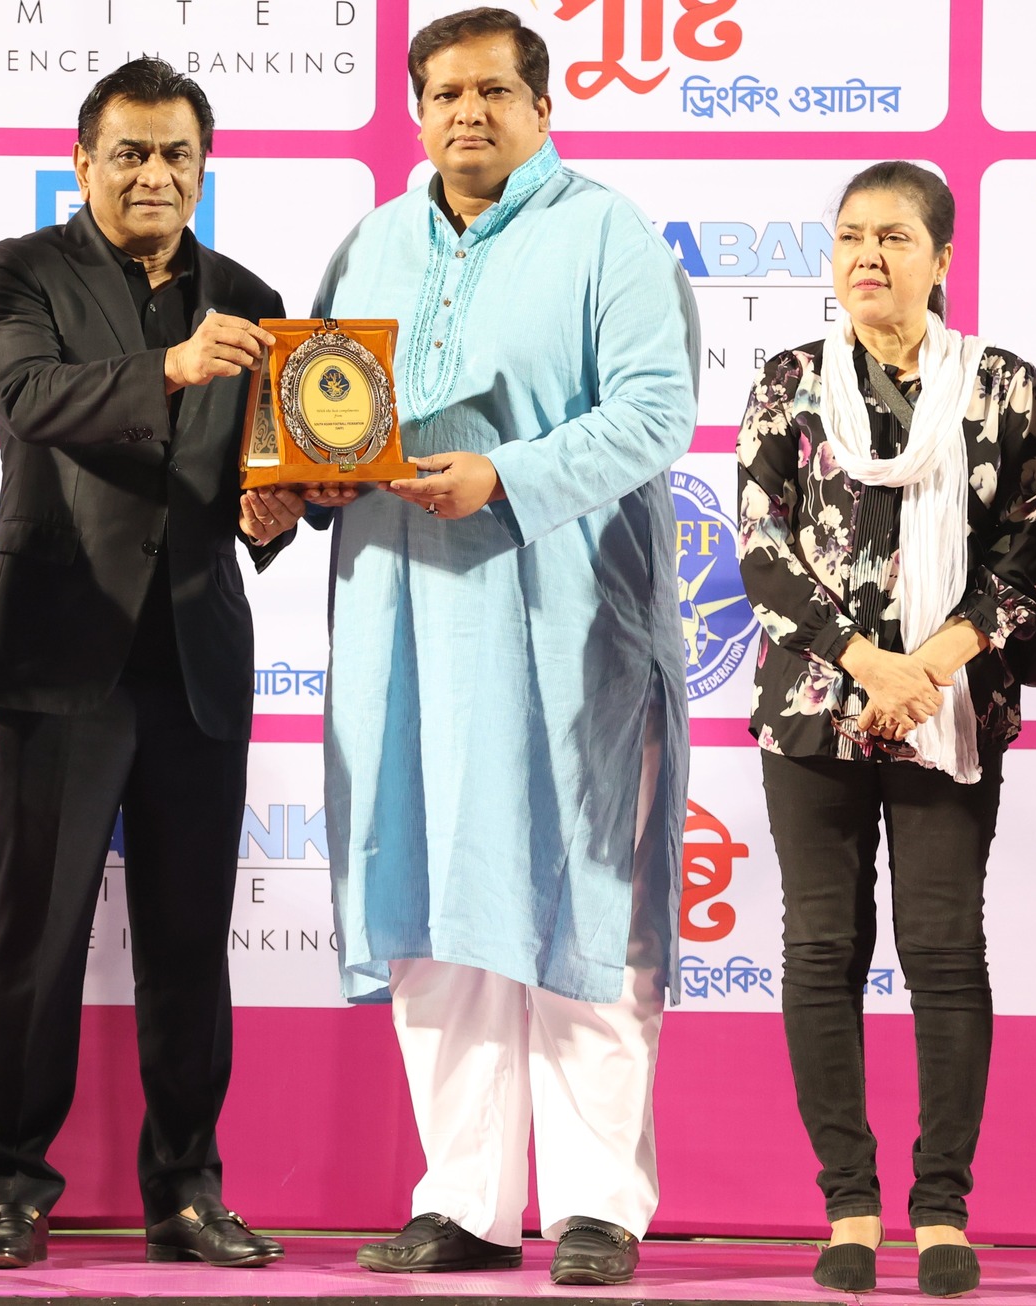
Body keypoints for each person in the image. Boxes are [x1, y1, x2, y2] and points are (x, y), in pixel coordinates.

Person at [308, 7, 698, 1287]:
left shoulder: (605, 233)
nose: (465, 113)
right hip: (399, 623)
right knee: (431, 910)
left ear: (541, 107)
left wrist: (504, 475)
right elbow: (318, 420)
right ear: (415, 109)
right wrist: (297, 487)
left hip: (563, 623)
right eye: (442, 93)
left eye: (491, 91)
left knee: (579, 905)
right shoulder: (371, 243)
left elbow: (655, 411)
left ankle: (596, 1207)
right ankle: (463, 1202)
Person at [0, 57, 303, 1271]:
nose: (153, 174)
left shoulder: (250, 298)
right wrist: (169, 366)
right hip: (61, 654)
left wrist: (277, 512)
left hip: (195, 658)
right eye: (130, 153)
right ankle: (12, 1185)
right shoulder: (18, 271)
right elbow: (28, 395)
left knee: (188, 941)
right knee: (37, 937)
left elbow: (262, 470)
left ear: (202, 168)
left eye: (174, 155)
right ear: (82, 162)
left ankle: (187, 1189)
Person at [737, 161, 1036, 1299]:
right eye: (849, 237)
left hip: (950, 707)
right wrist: (868, 663)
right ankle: (847, 1208)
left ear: (941, 257)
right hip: (815, 710)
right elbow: (762, 551)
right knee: (820, 951)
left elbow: (1025, 557)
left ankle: (941, 1211)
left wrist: (928, 667)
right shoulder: (786, 384)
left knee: (943, 951)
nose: (866, 256)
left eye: (893, 237)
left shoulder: (1004, 390)